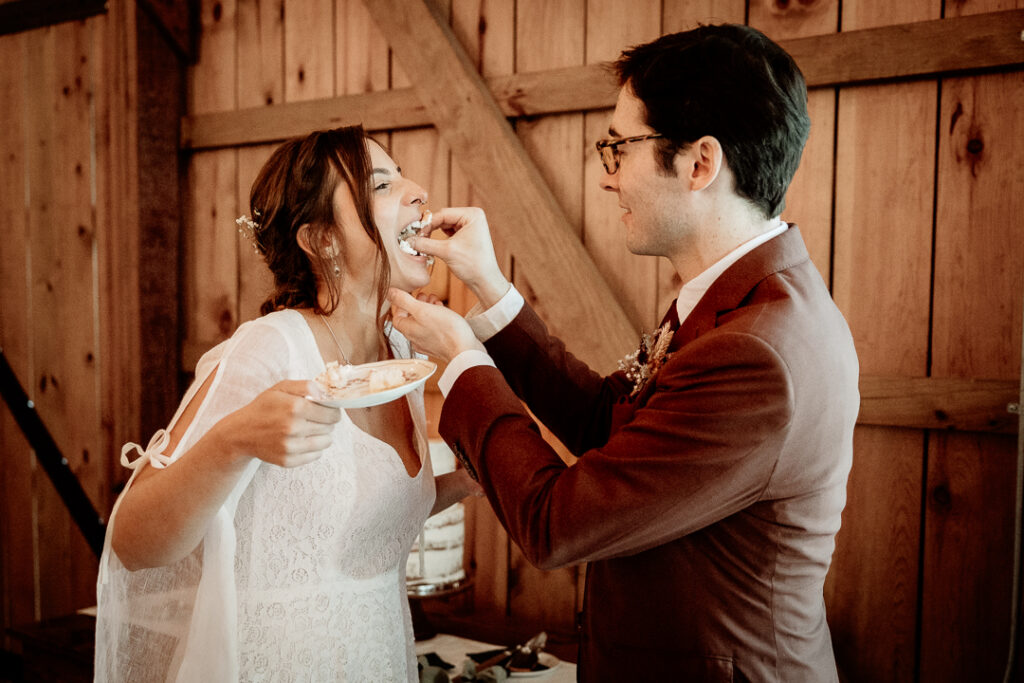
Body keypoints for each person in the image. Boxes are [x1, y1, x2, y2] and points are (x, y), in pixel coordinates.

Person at [388, 24, 859, 682]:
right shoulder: (740, 300)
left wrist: (463, 360)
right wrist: (490, 290)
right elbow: (610, 421)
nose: (608, 178)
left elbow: (555, 523)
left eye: (621, 147)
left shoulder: (757, 354)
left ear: (700, 163)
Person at [94, 125, 478, 681]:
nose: (418, 191)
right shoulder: (271, 347)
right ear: (321, 239)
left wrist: (462, 483)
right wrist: (232, 441)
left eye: (404, 177)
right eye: (381, 184)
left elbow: (352, 526)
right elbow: (134, 542)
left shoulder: (399, 356)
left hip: (379, 658)